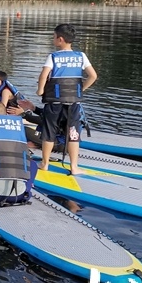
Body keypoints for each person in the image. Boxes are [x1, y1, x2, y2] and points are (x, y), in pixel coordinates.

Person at [36, 23, 98, 175]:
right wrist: (81, 89)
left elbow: (44, 75)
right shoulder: (81, 56)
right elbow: (93, 76)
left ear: (60, 39)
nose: (53, 39)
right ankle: (74, 167)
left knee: (49, 132)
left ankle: (44, 164)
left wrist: (40, 90)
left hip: (55, 102)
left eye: (54, 37)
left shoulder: (53, 57)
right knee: (73, 133)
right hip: (73, 102)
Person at [0, 70, 43, 146]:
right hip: (14, 114)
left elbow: (2, 107)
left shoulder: (5, 91)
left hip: (20, 115)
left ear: (2, 81)